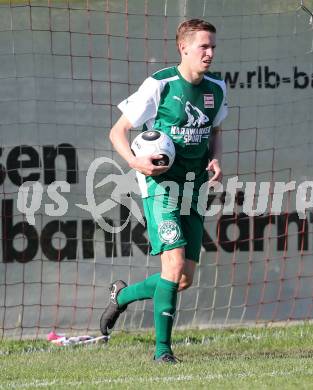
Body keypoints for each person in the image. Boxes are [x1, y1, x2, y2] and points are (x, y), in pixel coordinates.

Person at [100, 18, 228, 363]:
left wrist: (216, 159)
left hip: (194, 187)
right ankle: (162, 353)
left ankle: (123, 296)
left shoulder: (217, 87)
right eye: (203, 46)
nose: (210, 52)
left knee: (183, 278)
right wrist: (135, 163)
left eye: (213, 46)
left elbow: (216, 130)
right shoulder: (160, 85)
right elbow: (118, 131)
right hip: (160, 186)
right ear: (183, 48)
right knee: (171, 266)